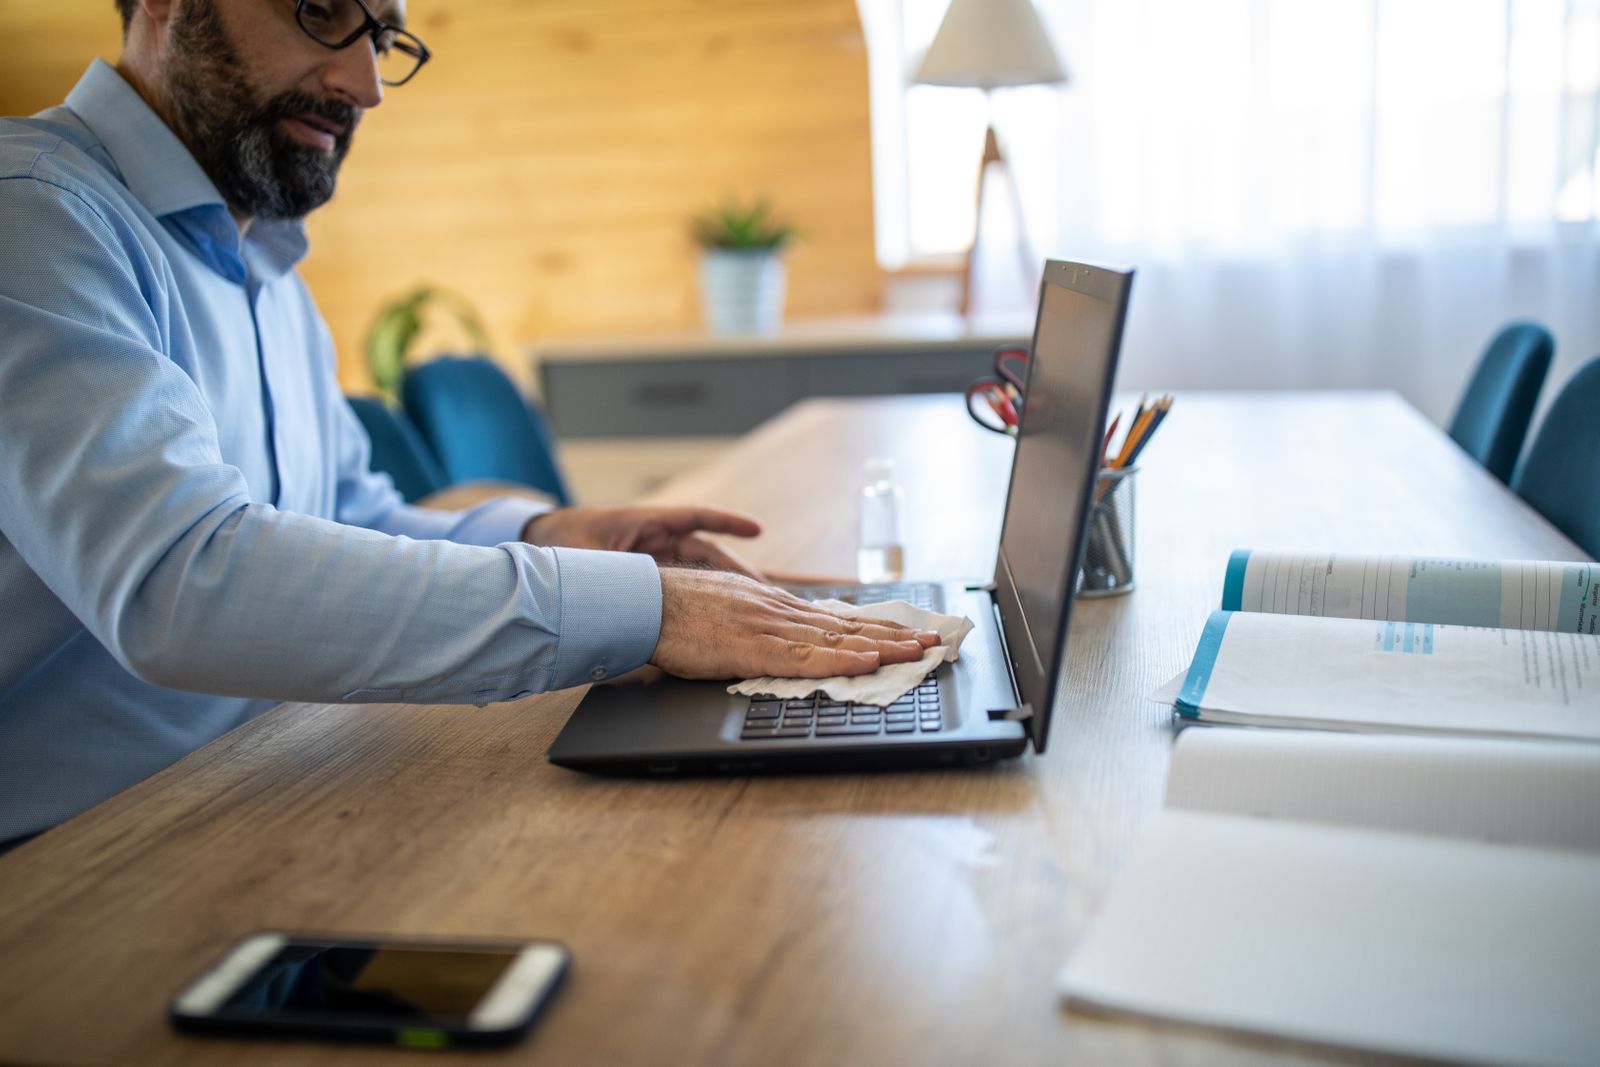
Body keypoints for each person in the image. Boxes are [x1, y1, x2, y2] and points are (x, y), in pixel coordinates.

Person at [0, 0, 939, 848]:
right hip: (69, 871)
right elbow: (183, 584)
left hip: (255, 801)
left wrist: (552, 535)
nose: (364, 82)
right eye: (324, 12)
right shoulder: (35, 218)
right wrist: (641, 609)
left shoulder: (266, 270)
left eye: (382, 36)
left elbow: (348, 519)